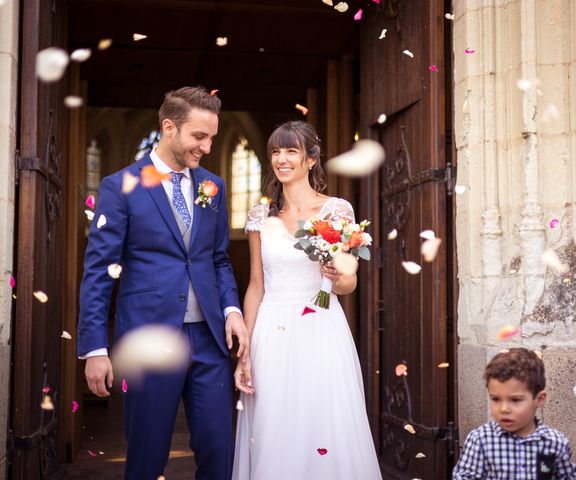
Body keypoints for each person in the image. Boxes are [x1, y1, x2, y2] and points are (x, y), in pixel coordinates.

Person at [77, 86, 249, 480]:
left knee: (219, 448)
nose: (206, 147)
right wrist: (94, 349)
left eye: (212, 138)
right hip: (148, 339)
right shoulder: (120, 186)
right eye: (199, 136)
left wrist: (232, 309)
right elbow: (100, 270)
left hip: (209, 339)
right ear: (168, 128)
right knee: (147, 453)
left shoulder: (213, 187)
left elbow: (218, 258)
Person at [231, 121, 382, 479]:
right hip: (272, 329)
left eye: (291, 151)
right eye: (276, 151)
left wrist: (338, 275)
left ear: (311, 159)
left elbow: (349, 284)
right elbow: (255, 285)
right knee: (273, 423)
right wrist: (246, 350)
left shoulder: (337, 212)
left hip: (320, 324)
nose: (281, 159)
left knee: (322, 420)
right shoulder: (260, 215)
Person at [452, 348, 576, 479]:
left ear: (539, 399)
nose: (504, 409)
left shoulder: (555, 442)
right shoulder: (480, 440)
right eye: (496, 399)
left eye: (515, 400)